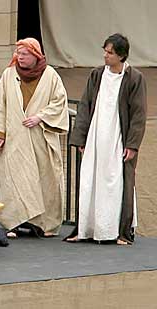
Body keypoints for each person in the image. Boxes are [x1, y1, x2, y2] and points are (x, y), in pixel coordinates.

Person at [67, 33, 147, 245]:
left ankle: (118, 231)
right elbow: (85, 106)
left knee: (116, 182)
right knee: (90, 180)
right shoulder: (96, 75)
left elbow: (139, 115)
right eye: (105, 51)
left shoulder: (134, 78)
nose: (105, 56)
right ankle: (87, 228)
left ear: (121, 55)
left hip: (117, 138)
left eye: (110, 52)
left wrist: (132, 145)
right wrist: (81, 138)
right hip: (96, 136)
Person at [0, 38, 69, 238]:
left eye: (24, 54)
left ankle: (42, 224)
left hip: (40, 138)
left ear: (35, 55)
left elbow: (59, 102)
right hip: (15, 139)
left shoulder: (50, 76)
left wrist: (41, 116)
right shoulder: (9, 75)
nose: (20, 58)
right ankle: (13, 222)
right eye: (18, 54)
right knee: (14, 180)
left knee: (43, 179)